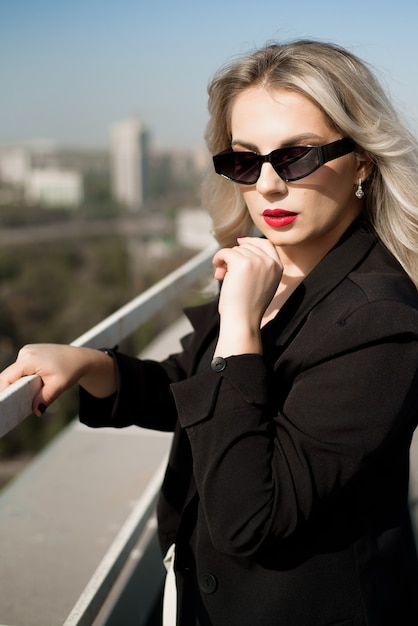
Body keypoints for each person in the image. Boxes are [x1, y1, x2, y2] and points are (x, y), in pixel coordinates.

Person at [1, 39, 418, 625]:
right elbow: (204, 391)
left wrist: (242, 325)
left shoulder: (381, 321)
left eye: (298, 156)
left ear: (364, 158)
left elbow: (251, 515)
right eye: (246, 160)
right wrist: (93, 367)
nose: (268, 186)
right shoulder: (271, 263)